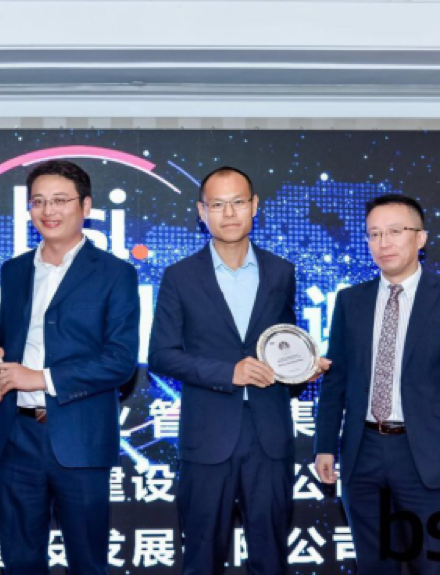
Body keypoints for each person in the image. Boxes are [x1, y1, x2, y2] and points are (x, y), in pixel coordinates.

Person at [148, 166, 328, 575]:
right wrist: (228, 372)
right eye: (217, 205)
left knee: (271, 558)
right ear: (202, 211)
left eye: (238, 202)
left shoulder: (281, 272)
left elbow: (284, 346)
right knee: (201, 559)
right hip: (207, 437)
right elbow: (161, 355)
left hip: (270, 436)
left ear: (254, 205)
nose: (229, 213)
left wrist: (302, 371)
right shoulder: (180, 276)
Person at [314, 194, 440, 575]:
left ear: (421, 238)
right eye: (374, 234)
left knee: (433, 565)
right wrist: (325, 445)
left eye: (395, 231)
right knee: (374, 565)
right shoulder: (350, 301)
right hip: (362, 452)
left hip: (428, 454)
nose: (383, 243)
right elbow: (336, 381)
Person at [0, 160, 140, 574]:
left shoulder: (116, 273)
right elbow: (8, 343)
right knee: (19, 561)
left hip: (81, 438)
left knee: (88, 563)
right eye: (38, 201)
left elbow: (121, 360)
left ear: (85, 206)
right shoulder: (14, 271)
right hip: (16, 436)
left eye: (60, 200)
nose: (48, 211)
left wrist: (41, 379)